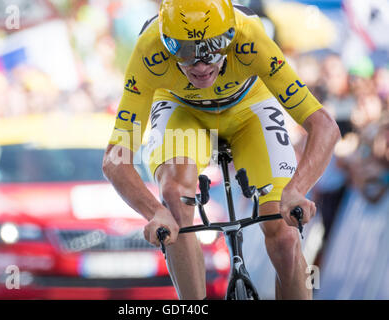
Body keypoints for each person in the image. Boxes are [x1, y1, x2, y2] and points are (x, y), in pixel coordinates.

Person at [103, 0, 340, 300]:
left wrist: (298, 189)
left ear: (230, 36)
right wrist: (155, 212)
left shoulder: (250, 37)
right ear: (166, 43)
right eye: (185, 52)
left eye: (213, 49)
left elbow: (325, 128)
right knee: (176, 198)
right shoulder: (149, 51)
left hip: (249, 107)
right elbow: (115, 158)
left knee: (283, 231)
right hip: (182, 108)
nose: (200, 66)